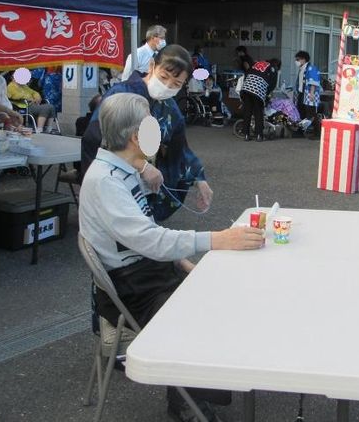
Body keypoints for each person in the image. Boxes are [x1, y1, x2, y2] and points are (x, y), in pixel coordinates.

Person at [78, 92, 263, 422]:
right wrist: (219, 239)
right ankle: (187, 404)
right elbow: (149, 239)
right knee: (200, 315)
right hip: (133, 286)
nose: (158, 131)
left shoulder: (119, 166)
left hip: (146, 270)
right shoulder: (106, 182)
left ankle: (196, 391)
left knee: (222, 295)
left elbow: (143, 236)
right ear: (136, 137)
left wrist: (180, 262)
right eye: (152, 126)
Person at [82, 45, 213, 222]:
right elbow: (97, 136)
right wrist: (140, 164)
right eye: (163, 77)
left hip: (146, 184)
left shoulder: (170, 107)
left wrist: (199, 179)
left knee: (141, 230)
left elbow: (179, 147)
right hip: (115, 179)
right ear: (152, 66)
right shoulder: (122, 93)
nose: (167, 86)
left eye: (176, 84)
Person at [240, 58, 281, 142]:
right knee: (258, 112)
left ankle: (246, 135)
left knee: (247, 112)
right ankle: (259, 135)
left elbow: (246, 74)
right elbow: (272, 84)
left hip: (246, 88)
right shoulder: (273, 68)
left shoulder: (256, 63)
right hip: (258, 89)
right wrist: (267, 94)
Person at [294, 51, 322, 136]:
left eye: (298, 59)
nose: (296, 61)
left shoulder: (311, 68)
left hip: (310, 94)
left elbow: (313, 81)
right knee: (300, 112)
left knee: (311, 113)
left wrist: (312, 93)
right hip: (302, 93)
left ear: (303, 59)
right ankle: (301, 131)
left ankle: (317, 132)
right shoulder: (302, 68)